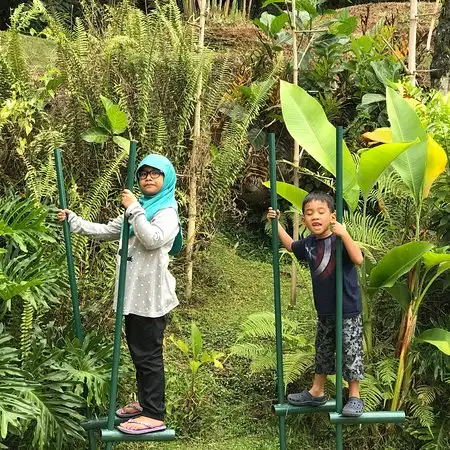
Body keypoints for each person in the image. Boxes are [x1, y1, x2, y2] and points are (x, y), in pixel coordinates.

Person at [58, 154, 182, 434]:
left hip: (151, 298)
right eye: (143, 173)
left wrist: (134, 208)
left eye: (155, 173)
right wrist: (74, 221)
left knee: (149, 355)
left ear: (167, 179)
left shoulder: (166, 212)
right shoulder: (139, 209)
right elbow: (106, 230)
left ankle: (154, 413)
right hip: (133, 296)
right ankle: (144, 402)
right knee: (139, 353)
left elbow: (152, 239)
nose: (148, 178)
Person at [267, 191, 365, 417]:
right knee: (323, 351)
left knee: (351, 352)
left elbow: (358, 259)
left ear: (332, 217)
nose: (315, 217)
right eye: (309, 213)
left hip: (347, 310)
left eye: (321, 212)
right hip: (325, 311)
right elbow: (292, 246)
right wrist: (276, 223)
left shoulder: (339, 240)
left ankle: (355, 396)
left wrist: (346, 234)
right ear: (304, 221)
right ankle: (317, 391)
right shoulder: (310, 243)